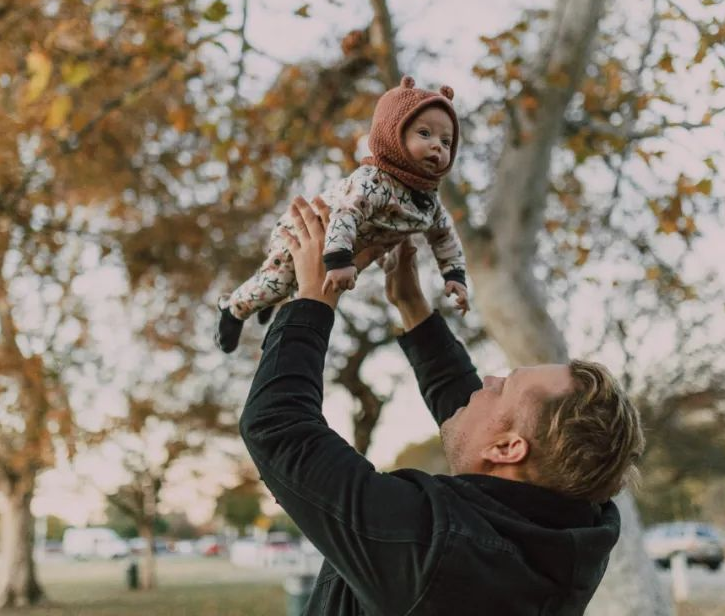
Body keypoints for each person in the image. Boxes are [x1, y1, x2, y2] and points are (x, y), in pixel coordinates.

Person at [239, 196, 645, 616]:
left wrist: (312, 297)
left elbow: (277, 428)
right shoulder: (569, 528)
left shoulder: (430, 555)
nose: (487, 381)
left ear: (508, 449)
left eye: (504, 385)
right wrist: (413, 307)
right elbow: (477, 423)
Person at [216, 75, 470, 353]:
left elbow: (444, 235)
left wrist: (454, 275)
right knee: (278, 282)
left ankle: (271, 301)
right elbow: (344, 215)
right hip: (311, 234)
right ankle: (233, 308)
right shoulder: (372, 182)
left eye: (446, 142)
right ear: (393, 133)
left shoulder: (428, 201)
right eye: (425, 133)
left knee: (293, 287)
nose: (437, 146)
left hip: (346, 252)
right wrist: (338, 261)